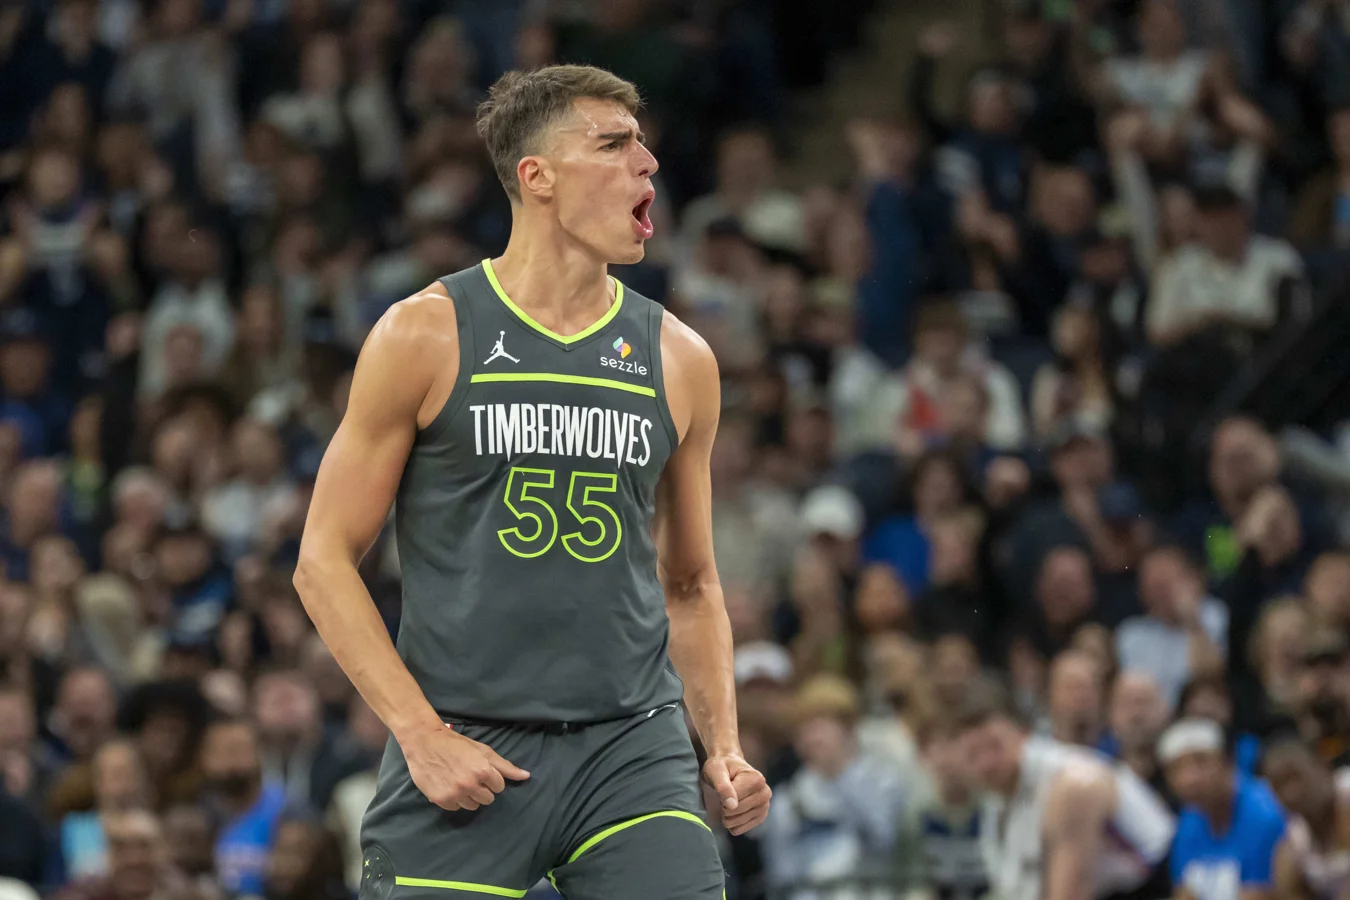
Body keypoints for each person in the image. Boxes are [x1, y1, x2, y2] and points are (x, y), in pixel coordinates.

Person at [293, 64, 770, 900]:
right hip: (467, 741)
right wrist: (419, 735)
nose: (648, 163)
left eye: (643, 144)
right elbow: (322, 560)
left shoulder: (679, 357)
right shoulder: (425, 334)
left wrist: (723, 746)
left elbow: (691, 584)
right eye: (614, 145)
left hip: (630, 745)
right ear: (537, 176)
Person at [950, 677, 1175, 900]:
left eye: (995, 746)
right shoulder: (995, 797)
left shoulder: (1072, 784)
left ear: (1023, 733)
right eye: (973, 754)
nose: (986, 764)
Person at [1160, 718, 1287, 900]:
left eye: (1201, 762)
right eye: (1176, 769)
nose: (1189, 779)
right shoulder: (1188, 821)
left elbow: (1263, 893)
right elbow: (1183, 892)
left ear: (1227, 761)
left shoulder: (1266, 812)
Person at [1262, 738, 1350, 900]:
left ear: (1322, 765)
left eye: (1296, 777)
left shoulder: (1346, 791)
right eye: (1278, 785)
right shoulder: (1294, 839)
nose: (1290, 793)